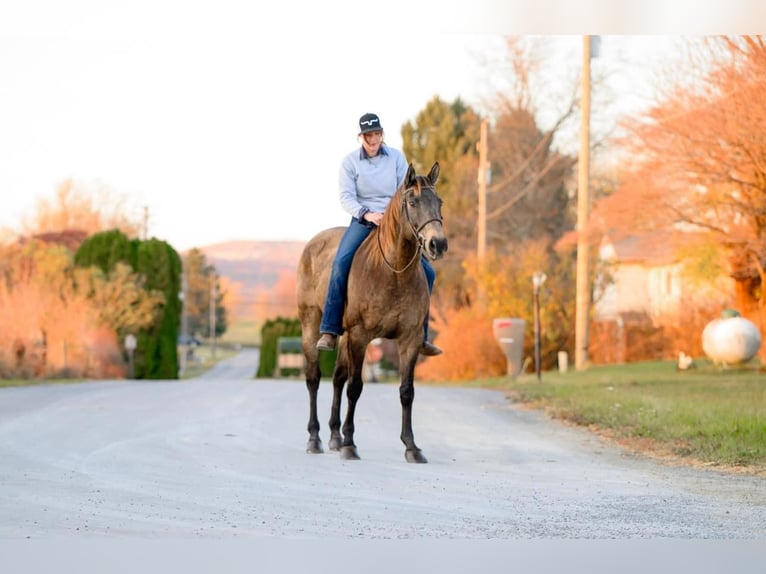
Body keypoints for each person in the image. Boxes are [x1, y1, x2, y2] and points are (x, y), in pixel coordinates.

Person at [316, 112, 442, 357]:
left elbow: (404, 189)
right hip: (364, 219)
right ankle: (330, 330)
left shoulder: (396, 157)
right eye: (368, 135)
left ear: (381, 134)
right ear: (360, 137)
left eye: (376, 134)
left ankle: (421, 336)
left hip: (394, 220)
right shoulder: (350, 162)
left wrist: (392, 215)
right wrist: (367, 214)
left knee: (427, 271)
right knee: (341, 263)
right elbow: (346, 197)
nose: (373, 139)